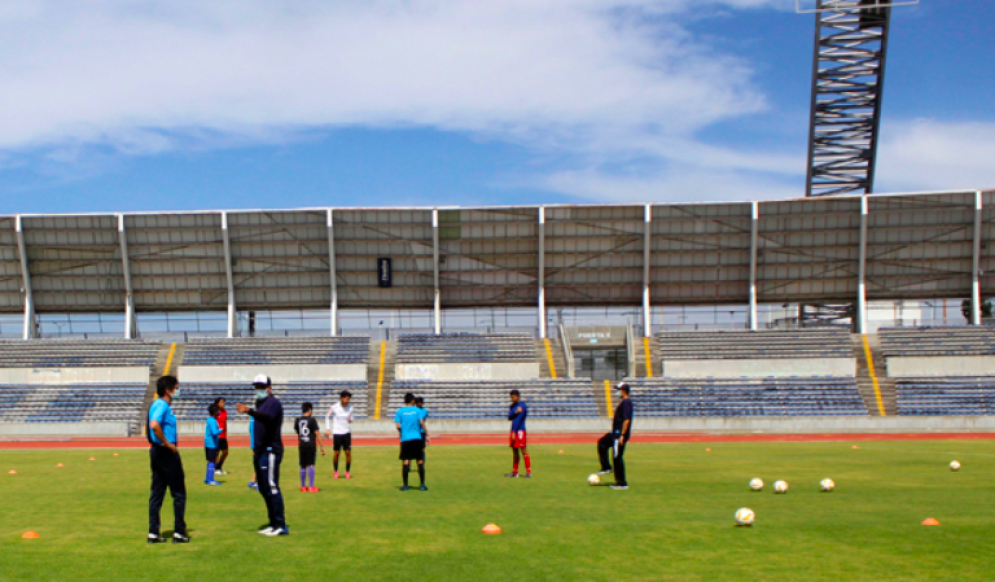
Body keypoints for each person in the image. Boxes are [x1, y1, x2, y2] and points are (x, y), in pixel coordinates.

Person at [235, 374, 288, 536]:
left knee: (272, 486)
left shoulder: (274, 403)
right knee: (264, 488)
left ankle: (280, 524)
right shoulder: (260, 403)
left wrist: (249, 411)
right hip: (261, 450)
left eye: (262, 387)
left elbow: (268, 418)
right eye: (256, 387)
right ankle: (272, 522)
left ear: (269, 388)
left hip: (271, 449)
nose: (259, 390)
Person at [147, 375, 189, 544]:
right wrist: (168, 444)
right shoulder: (162, 405)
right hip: (166, 453)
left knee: (157, 493)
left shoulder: (157, 404)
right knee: (179, 493)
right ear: (168, 389)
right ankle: (179, 532)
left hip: (157, 452)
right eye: (176, 387)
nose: (178, 390)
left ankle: (153, 532)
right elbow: (154, 424)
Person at [597, 382, 633, 490]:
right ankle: (606, 467)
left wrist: (622, 434)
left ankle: (622, 483)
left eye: (618, 390)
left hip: (619, 434)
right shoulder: (624, 402)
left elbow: (627, 420)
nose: (617, 392)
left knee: (617, 457)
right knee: (602, 443)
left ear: (623, 391)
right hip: (615, 432)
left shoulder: (627, 402)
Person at [394, 393, 428, 491]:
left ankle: (405, 486)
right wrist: (427, 433)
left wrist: (402, 433)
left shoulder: (400, 412)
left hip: (405, 439)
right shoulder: (417, 410)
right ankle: (422, 485)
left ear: (404, 401)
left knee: (406, 461)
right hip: (417, 437)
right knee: (420, 461)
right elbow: (422, 422)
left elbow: (398, 426)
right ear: (413, 401)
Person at [295, 402, 325, 492]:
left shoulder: (298, 419)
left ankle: (303, 486)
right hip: (310, 444)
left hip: (302, 444)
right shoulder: (312, 420)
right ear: (310, 410)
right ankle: (311, 486)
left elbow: (298, 431)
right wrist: (322, 446)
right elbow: (317, 433)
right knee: (311, 464)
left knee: (303, 465)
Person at [324, 390, 354, 479]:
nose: (348, 400)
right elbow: (327, 416)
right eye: (347, 398)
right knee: (337, 453)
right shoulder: (334, 407)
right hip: (337, 433)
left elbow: (352, 417)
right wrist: (328, 429)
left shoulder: (351, 407)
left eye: (349, 399)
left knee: (348, 453)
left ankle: (347, 472)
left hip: (347, 432)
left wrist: (350, 420)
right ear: (342, 398)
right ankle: (336, 471)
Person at [506, 389, 531, 478]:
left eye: (513, 397)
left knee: (523, 450)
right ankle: (515, 472)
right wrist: (515, 412)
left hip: (520, 431)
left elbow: (519, 419)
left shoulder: (523, 405)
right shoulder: (512, 406)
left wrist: (514, 432)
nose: (511, 399)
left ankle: (528, 472)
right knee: (514, 450)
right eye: (511, 397)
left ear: (518, 397)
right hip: (514, 430)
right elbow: (509, 417)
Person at [204, 403, 223, 486]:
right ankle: (211, 479)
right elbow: (214, 432)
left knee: (210, 461)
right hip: (212, 444)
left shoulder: (209, 419)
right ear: (215, 411)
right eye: (218, 411)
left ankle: (208, 478)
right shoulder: (212, 420)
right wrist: (221, 430)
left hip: (208, 443)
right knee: (212, 461)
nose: (219, 412)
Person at [213, 397, 230, 476]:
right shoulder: (215, 412)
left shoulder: (225, 412)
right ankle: (216, 469)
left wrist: (226, 431)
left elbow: (225, 422)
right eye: (221, 402)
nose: (223, 404)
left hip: (223, 436)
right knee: (216, 453)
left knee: (225, 452)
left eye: (224, 402)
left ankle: (219, 467)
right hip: (217, 435)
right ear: (217, 403)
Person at [415, 396, 429, 462]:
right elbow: (422, 422)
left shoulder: (424, 411)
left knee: (419, 448)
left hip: (417, 431)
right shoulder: (425, 411)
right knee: (421, 449)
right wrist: (427, 433)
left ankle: (408, 466)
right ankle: (421, 464)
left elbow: (421, 421)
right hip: (420, 432)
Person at [247, 416, 258, 490]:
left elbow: (250, 430)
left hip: (253, 443)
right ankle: (257, 483)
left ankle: (253, 480)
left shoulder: (252, 417)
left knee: (257, 462)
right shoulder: (260, 417)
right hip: (259, 443)